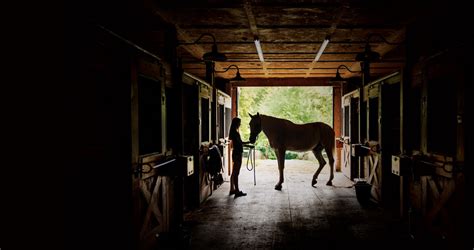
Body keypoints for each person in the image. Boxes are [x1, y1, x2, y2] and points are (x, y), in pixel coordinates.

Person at [228, 117, 250, 197]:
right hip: (237, 154)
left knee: (234, 172)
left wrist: (248, 143)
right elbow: (239, 143)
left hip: (236, 153)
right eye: (239, 123)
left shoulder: (234, 132)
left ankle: (232, 189)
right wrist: (247, 143)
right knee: (236, 173)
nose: (240, 124)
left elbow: (240, 143)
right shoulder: (235, 133)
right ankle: (236, 191)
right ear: (236, 123)